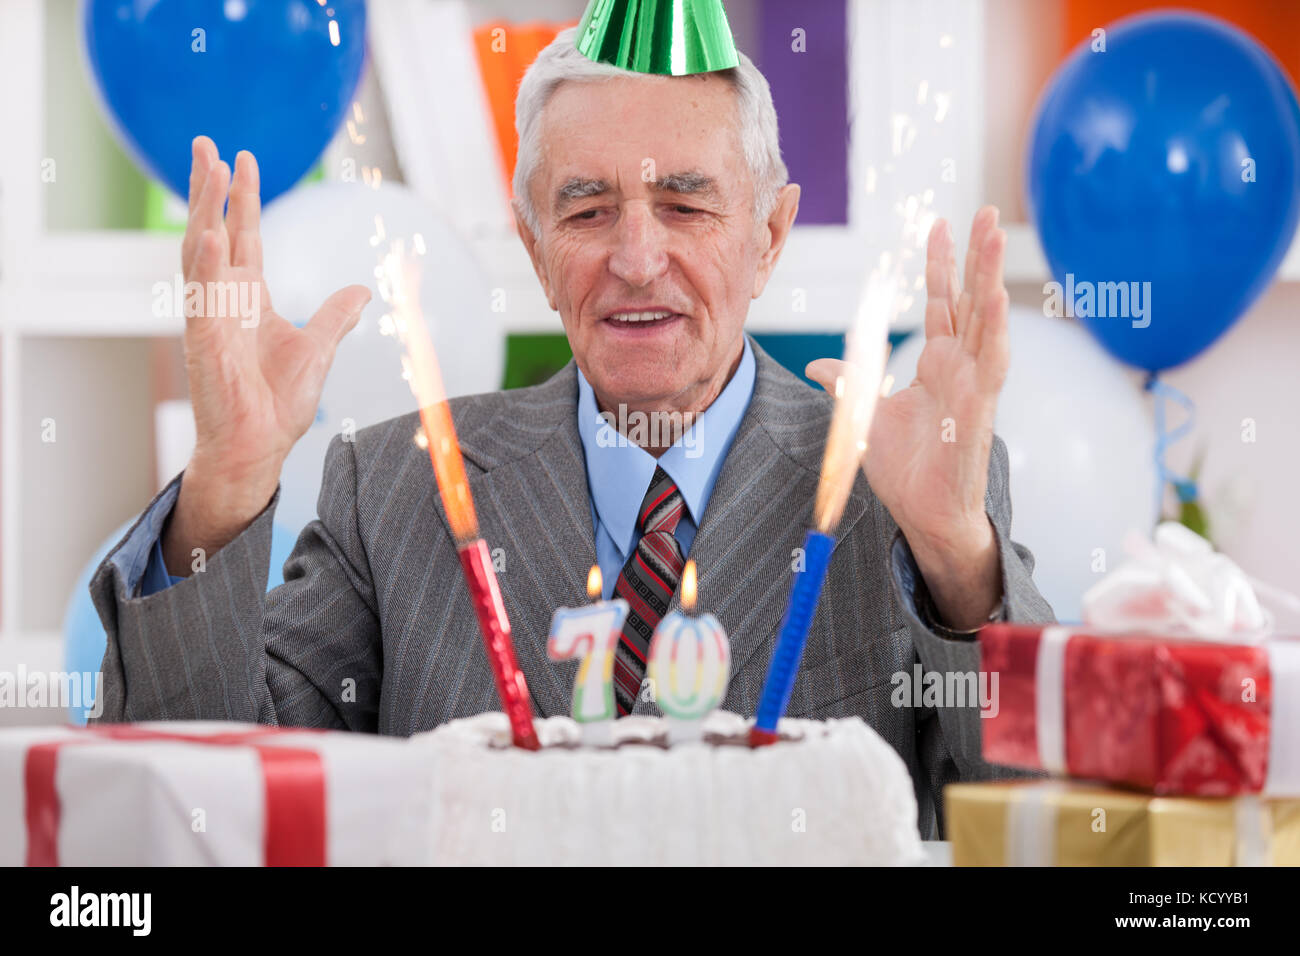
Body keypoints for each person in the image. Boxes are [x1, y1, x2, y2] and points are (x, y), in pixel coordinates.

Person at [90, 28, 1053, 838]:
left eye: (685, 204)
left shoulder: (908, 492)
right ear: (534, 248)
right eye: (587, 210)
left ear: (768, 236)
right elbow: (199, 807)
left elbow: (1038, 830)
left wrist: (960, 567)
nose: (636, 259)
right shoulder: (394, 488)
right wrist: (223, 486)